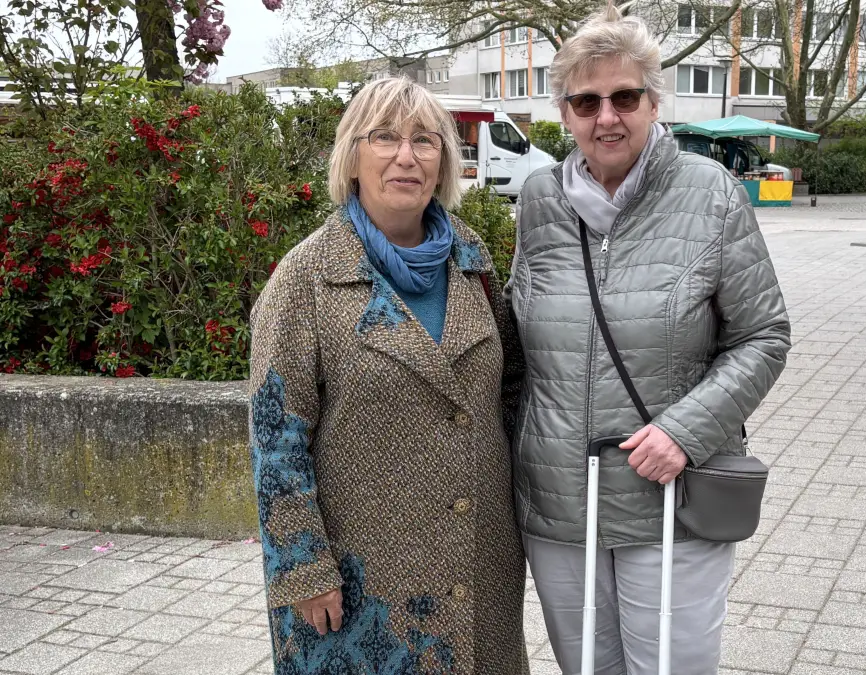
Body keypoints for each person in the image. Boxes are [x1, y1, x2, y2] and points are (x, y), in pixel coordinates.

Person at [508, 5, 791, 674]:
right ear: (565, 112)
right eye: (586, 100)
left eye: (624, 96)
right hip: (560, 504)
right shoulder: (540, 200)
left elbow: (763, 335)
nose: (606, 116)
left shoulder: (712, 194)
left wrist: (684, 432)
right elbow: (519, 346)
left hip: (668, 496)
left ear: (653, 100)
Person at [248, 77, 528, 674]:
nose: (407, 156)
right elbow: (276, 439)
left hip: (478, 562)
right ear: (353, 156)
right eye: (385, 138)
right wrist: (302, 567)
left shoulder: (471, 259)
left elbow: (510, 388)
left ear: (444, 163)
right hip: (362, 585)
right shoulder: (307, 278)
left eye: (426, 141)